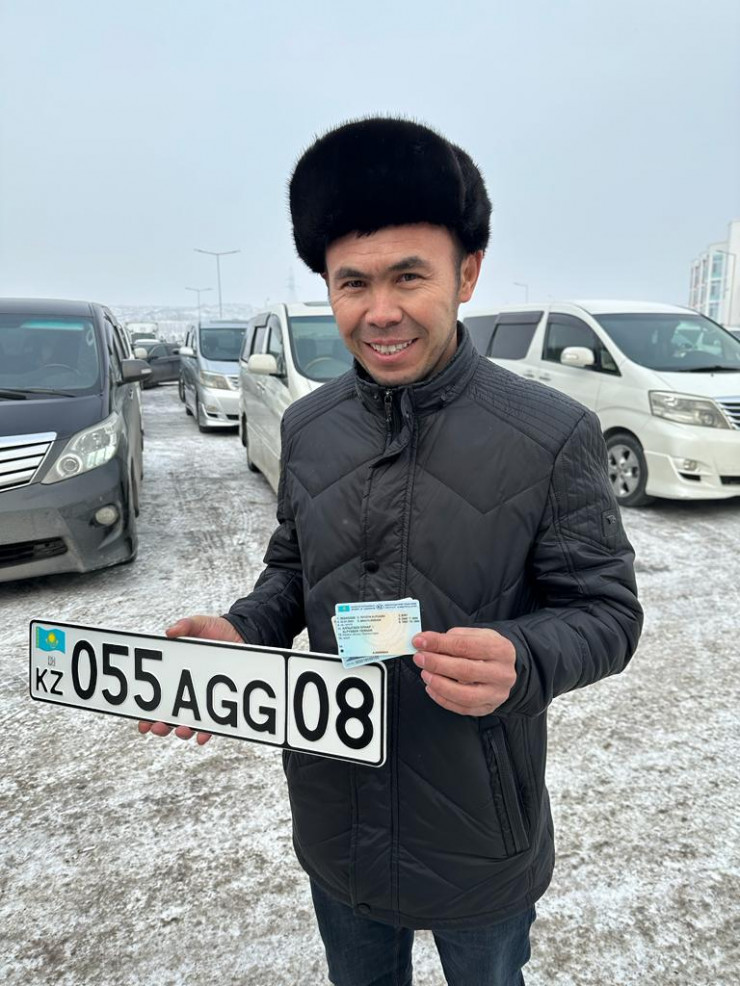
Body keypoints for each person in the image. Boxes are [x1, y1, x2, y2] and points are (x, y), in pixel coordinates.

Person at [140, 117, 643, 985]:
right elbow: (294, 570)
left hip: (480, 828)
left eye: (409, 276)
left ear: (467, 274)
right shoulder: (310, 426)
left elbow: (607, 612)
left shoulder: (552, 433)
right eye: (353, 283)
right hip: (337, 817)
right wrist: (241, 631)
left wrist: (524, 657)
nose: (380, 312)